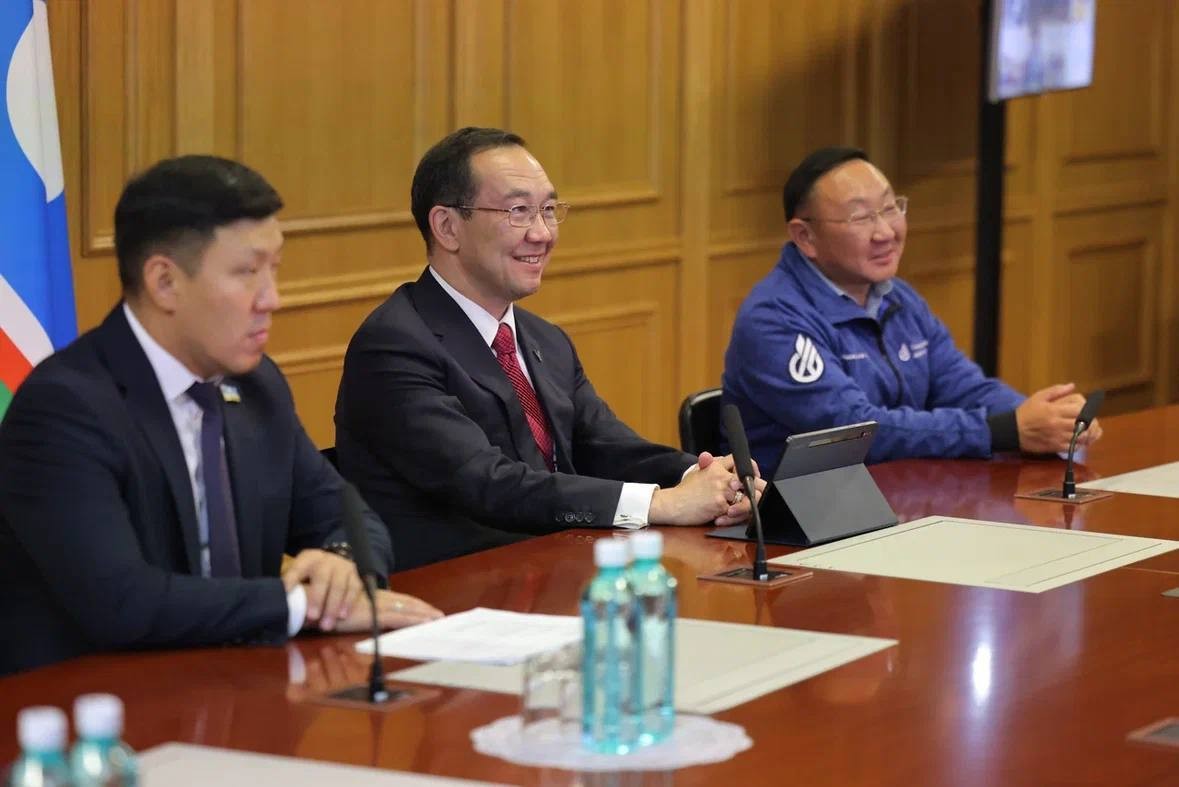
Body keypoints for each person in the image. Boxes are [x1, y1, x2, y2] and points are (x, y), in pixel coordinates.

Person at [0, 156, 440, 675]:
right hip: (96, 700)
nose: (272, 299)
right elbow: (123, 602)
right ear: (165, 282)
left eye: (274, 269)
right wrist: (300, 605)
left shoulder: (255, 385)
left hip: (238, 685)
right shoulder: (64, 409)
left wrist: (339, 567)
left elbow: (348, 517)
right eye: (248, 273)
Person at [336, 127, 758, 570]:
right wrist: (661, 503)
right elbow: (489, 483)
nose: (542, 234)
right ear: (447, 226)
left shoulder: (544, 339)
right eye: (519, 211)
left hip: (555, 573)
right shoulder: (394, 345)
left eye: (549, 210)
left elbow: (606, 445)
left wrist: (707, 479)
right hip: (452, 589)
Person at [722, 146, 1102, 471]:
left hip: (908, 496)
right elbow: (855, 432)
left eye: (890, 208)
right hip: (803, 519)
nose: (886, 232)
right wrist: (1003, 430)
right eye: (861, 217)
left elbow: (962, 386)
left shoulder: (898, 298)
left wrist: (1048, 420)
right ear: (805, 236)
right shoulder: (774, 318)